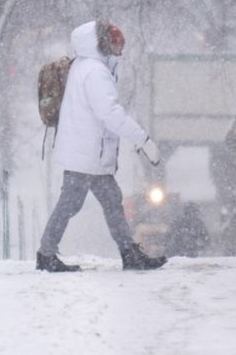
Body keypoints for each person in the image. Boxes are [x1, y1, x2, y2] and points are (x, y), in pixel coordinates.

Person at [37, 19, 166, 272]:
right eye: (117, 44)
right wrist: (143, 140)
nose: (121, 49)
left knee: (111, 200)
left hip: (87, 153)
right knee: (71, 203)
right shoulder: (95, 72)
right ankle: (46, 254)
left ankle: (128, 253)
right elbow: (111, 114)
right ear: (104, 45)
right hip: (86, 155)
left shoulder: (84, 67)